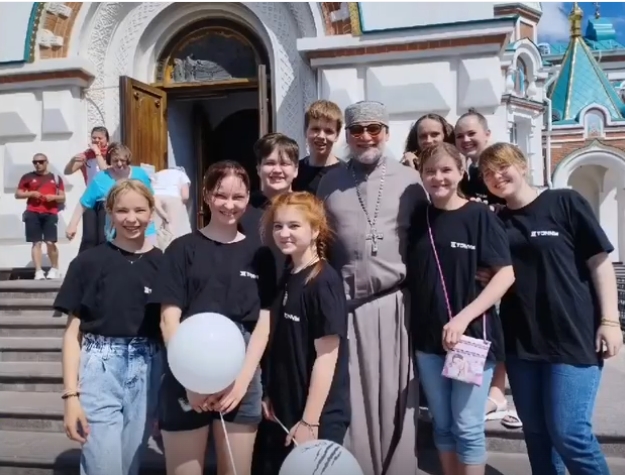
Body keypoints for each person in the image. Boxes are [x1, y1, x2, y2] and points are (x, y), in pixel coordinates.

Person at [478, 143, 623, 475]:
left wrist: (610, 320)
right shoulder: (497, 222)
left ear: (523, 166)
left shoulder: (565, 202)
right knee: (537, 435)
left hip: (572, 336)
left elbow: (600, 262)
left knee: (569, 433)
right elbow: (498, 272)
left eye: (502, 166)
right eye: (487, 173)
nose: (496, 176)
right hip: (522, 342)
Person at [317, 100, 428, 475]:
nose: (365, 137)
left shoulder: (411, 181)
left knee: (395, 396)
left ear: (386, 133)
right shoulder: (330, 182)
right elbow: (318, 244)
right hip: (346, 308)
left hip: (396, 306)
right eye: (357, 130)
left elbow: (428, 241)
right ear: (347, 136)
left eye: (373, 129)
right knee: (354, 395)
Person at [155, 161, 276, 475]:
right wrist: (190, 379)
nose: (229, 204)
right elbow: (169, 319)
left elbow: (263, 323)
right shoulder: (182, 249)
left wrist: (242, 382)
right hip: (185, 369)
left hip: (241, 373)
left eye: (238, 197)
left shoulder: (261, 253)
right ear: (207, 195)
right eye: (221, 195)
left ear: (248, 198)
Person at [408, 143, 515, 475]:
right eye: (430, 171)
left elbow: (505, 274)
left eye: (446, 170)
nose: (438, 177)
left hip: (470, 339)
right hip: (429, 341)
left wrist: (462, 318)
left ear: (461, 172)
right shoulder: (418, 218)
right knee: (442, 425)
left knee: (467, 426)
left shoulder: (479, 216)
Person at [54, 180, 164, 475]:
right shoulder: (87, 263)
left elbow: (169, 330)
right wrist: (70, 396)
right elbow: (72, 335)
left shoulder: (164, 264)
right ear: (111, 214)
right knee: (103, 466)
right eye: (123, 211)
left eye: (140, 210)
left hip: (148, 370)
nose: (132, 218)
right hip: (100, 367)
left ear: (151, 212)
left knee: (129, 465)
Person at [259, 191, 350, 473]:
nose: (284, 233)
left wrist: (310, 421)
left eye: (294, 226)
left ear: (315, 230)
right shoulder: (289, 275)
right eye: (278, 226)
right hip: (285, 408)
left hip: (316, 415)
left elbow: (327, 357)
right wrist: (270, 393)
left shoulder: (323, 281)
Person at [65, 143, 165, 245]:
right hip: (117, 233)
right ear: (109, 161)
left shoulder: (140, 174)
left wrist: (162, 215)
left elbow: (151, 197)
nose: (119, 164)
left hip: (145, 230)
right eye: (115, 161)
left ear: (128, 159)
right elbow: (84, 202)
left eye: (122, 160)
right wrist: (72, 225)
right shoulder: (101, 178)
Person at [15, 153, 65, 280]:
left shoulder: (56, 178)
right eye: (35, 162)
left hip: (50, 212)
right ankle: (38, 270)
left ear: (46, 162)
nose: (38, 164)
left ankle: (54, 268)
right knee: (36, 242)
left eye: (41, 162)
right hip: (33, 212)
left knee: (50, 242)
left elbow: (62, 197)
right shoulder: (27, 177)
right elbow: (18, 194)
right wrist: (31, 194)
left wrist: (53, 197)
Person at [64, 126, 110, 253]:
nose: (96, 140)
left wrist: (97, 152)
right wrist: (72, 161)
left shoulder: (111, 154)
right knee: (89, 238)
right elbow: (67, 171)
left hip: (106, 199)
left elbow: (105, 171)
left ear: (106, 139)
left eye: (100, 138)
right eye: (94, 138)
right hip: (91, 199)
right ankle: (84, 263)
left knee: (103, 237)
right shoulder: (87, 156)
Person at [293, 100, 344, 195]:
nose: (321, 136)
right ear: (305, 131)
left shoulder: (346, 175)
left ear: (337, 135)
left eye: (328, 131)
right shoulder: (294, 173)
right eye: (315, 129)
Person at [151, 166, 192, 245]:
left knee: (155, 230)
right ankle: (174, 250)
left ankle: (155, 249)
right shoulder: (181, 174)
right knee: (175, 231)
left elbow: (150, 188)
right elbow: (185, 196)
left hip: (155, 198)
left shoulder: (158, 174)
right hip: (173, 198)